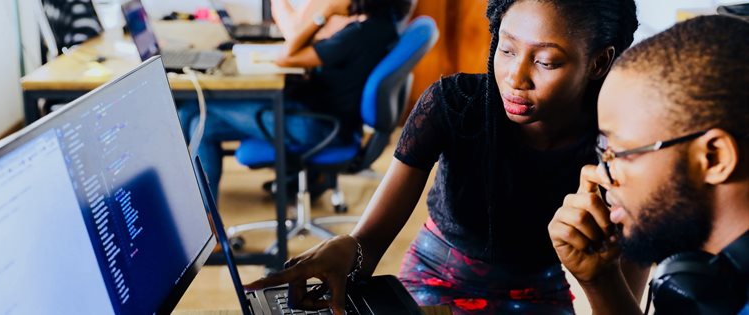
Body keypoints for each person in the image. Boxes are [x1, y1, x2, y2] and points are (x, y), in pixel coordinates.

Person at [244, 1, 642, 314]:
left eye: (545, 61)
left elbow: (622, 299)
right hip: (435, 277)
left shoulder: (622, 148)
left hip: (541, 292)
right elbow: (369, 243)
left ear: (599, 62)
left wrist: (598, 277)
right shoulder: (454, 105)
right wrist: (349, 249)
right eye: (505, 49)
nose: (515, 79)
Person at [548, 15, 749, 315]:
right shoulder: (711, 283)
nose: (599, 174)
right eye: (603, 151)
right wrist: (602, 280)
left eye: (621, 152)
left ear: (713, 158)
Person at [180, 0, 411, 200]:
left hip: (317, 126)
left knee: (195, 112)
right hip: (325, 120)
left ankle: (200, 221)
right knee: (201, 124)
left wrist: (324, 14)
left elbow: (287, 56)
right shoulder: (383, 27)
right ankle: (208, 224)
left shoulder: (358, 35)